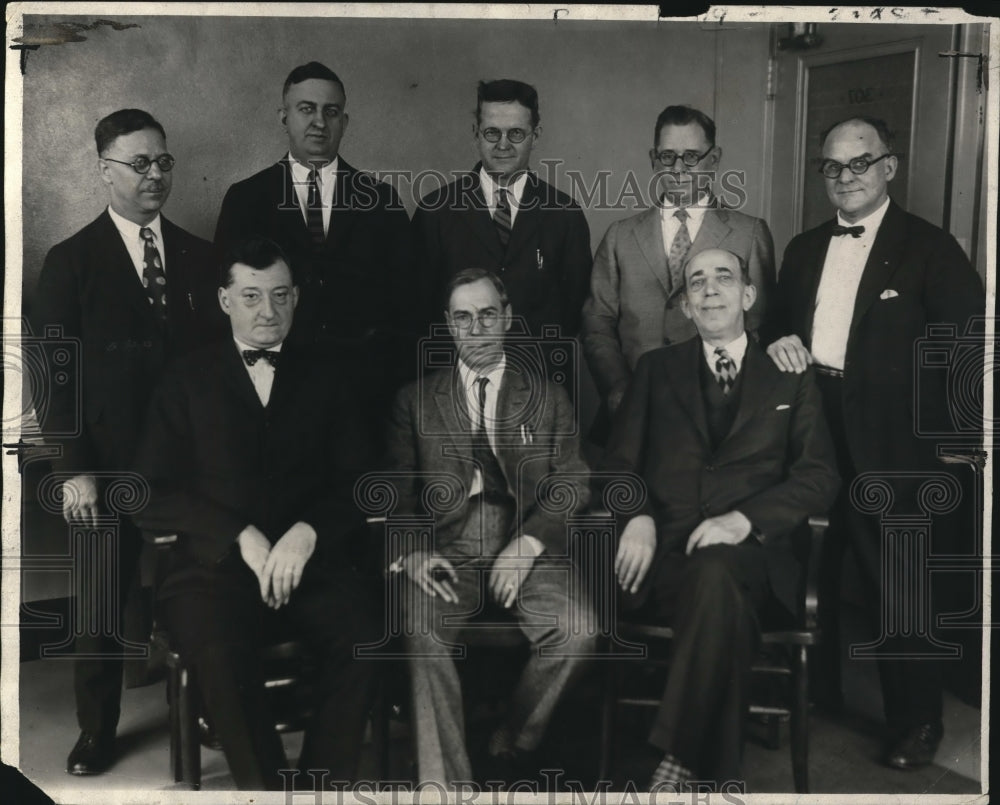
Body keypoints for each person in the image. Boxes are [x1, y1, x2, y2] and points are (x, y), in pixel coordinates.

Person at [763, 116, 986, 770]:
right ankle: (819, 692)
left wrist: (953, 443)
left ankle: (917, 721)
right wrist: (778, 337)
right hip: (814, 423)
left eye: (859, 163)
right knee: (811, 568)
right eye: (832, 166)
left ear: (890, 167)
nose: (845, 177)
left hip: (894, 438)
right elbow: (778, 324)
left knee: (899, 585)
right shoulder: (804, 248)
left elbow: (966, 347)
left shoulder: (931, 247)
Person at [132, 238, 381, 790]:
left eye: (280, 295)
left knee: (363, 637)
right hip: (212, 571)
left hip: (309, 565)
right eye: (251, 296)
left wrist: (307, 531)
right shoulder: (185, 379)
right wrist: (237, 533)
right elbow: (146, 491)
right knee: (218, 654)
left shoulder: (329, 377)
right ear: (225, 301)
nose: (268, 311)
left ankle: (322, 786)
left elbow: (361, 484)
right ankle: (266, 791)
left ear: (295, 299)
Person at [31, 108, 225, 776]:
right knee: (99, 603)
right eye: (138, 163)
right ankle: (96, 728)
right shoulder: (71, 262)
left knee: (200, 587)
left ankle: (208, 708)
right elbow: (55, 379)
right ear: (104, 171)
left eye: (163, 161)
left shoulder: (202, 258)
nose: (154, 175)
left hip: (185, 467)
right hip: (106, 467)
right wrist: (74, 470)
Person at [602, 248, 838, 789]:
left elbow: (820, 476)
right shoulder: (654, 370)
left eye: (724, 278)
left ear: (748, 296)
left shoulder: (790, 377)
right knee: (713, 581)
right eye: (697, 282)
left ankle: (682, 754)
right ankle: (714, 770)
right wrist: (636, 515)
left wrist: (744, 521)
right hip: (665, 559)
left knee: (720, 573)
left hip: (755, 562)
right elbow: (617, 467)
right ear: (684, 305)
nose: (710, 290)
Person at [386, 268, 595, 785]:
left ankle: (515, 736)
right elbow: (395, 494)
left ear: (506, 319)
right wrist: (413, 552)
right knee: (420, 632)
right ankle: (447, 786)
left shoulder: (547, 395)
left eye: (486, 315)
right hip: (446, 549)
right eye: (462, 317)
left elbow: (572, 481)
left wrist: (527, 543)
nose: (475, 328)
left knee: (579, 629)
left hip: (527, 544)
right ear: (449, 326)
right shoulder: (414, 401)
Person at [214, 61, 412, 401]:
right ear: (284, 117)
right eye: (307, 109)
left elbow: (408, 302)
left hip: (364, 387)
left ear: (344, 122)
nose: (319, 122)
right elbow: (224, 300)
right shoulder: (246, 199)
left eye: (331, 111)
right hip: (275, 385)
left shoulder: (381, 200)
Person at [582, 105, 775, 427]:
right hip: (635, 408)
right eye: (668, 157)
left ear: (713, 160)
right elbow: (597, 323)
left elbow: (762, 325)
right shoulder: (621, 235)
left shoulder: (748, 233)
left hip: (720, 412)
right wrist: (618, 387)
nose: (679, 169)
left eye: (691, 157)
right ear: (653, 161)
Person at [412, 79, 592, 342]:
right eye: (492, 133)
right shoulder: (435, 212)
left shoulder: (565, 214)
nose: (503, 144)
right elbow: (418, 310)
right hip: (457, 376)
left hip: (539, 375)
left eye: (516, 133)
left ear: (536, 135)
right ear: (476, 133)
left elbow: (575, 309)